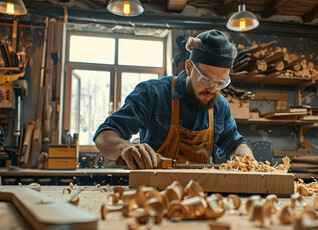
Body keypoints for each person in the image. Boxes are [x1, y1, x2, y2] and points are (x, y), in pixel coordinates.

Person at [93, 29, 255, 169]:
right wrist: (124, 147)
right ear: (189, 67)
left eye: (220, 82)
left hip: (199, 193)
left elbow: (235, 144)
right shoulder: (152, 93)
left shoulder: (220, 106)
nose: (212, 89)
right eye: (205, 80)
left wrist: (247, 158)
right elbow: (103, 136)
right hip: (153, 193)